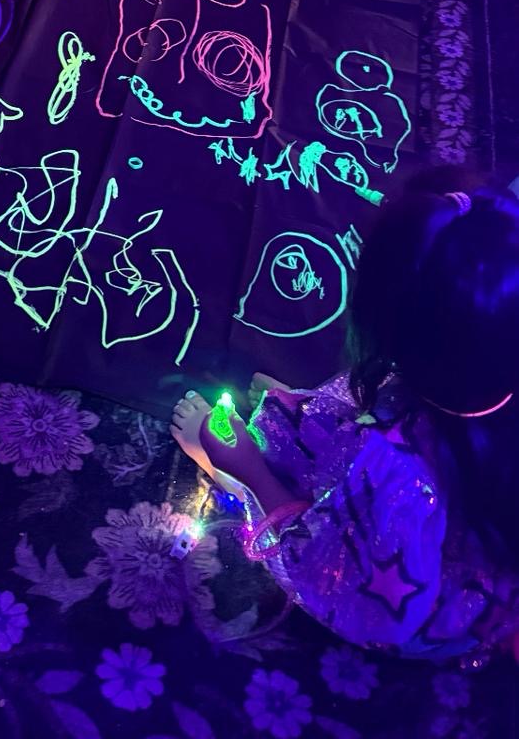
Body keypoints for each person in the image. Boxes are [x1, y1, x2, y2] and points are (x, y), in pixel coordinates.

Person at [171, 169, 519, 658]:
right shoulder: (487, 380)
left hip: (417, 595)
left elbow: (336, 575)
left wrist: (248, 471)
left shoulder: (401, 476)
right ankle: (288, 433)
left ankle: (245, 476)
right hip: (457, 494)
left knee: (274, 478)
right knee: (315, 422)